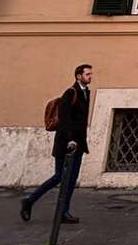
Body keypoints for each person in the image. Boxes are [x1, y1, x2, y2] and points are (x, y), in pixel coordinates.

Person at [20, 64, 92, 224]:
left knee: (72, 179)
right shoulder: (70, 93)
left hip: (78, 144)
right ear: (78, 76)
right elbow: (65, 119)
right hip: (66, 143)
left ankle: (63, 212)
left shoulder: (86, 92)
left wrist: (81, 141)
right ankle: (29, 200)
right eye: (87, 74)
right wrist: (70, 139)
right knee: (60, 176)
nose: (90, 77)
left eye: (90, 74)